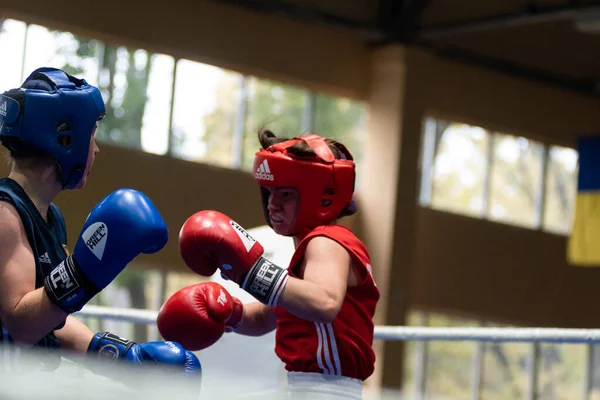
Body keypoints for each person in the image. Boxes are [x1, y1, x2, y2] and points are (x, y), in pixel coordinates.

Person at [0, 67, 201, 387]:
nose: (96, 149)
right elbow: (22, 326)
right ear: (65, 137)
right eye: (92, 133)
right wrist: (82, 274)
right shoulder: (5, 214)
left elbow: (48, 320)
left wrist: (119, 355)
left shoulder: (50, 218)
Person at [158, 130, 380, 399]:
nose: (273, 205)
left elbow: (325, 303)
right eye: (269, 193)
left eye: (285, 194)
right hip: (303, 387)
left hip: (329, 391)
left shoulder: (328, 240)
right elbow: (266, 317)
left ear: (321, 195)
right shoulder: (305, 257)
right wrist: (232, 313)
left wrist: (251, 272)